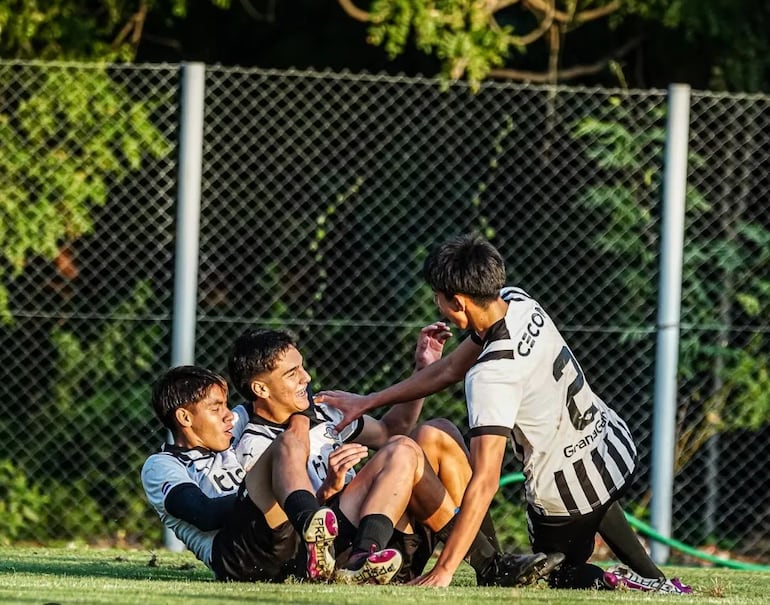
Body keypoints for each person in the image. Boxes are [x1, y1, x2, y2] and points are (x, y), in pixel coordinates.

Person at [316, 233, 692, 594]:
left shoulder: (492, 375)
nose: (438, 307)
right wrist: (368, 401)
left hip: (562, 492)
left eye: (439, 299)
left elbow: (486, 481)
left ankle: (621, 581)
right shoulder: (518, 302)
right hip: (610, 448)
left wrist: (444, 570)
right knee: (437, 433)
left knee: (560, 576)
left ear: (458, 303)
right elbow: (448, 370)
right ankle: (655, 578)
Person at [228, 325, 562, 586]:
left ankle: (492, 562)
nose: (307, 378)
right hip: (337, 549)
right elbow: (283, 532)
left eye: (302, 367)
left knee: (437, 432)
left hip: (387, 527)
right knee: (403, 450)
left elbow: (392, 428)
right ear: (261, 389)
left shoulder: (326, 412)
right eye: (292, 374)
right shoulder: (258, 446)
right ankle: (362, 561)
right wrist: (329, 487)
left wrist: (423, 367)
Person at [141, 365, 338, 583]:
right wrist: (274, 492)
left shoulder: (231, 430)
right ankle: (309, 520)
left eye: (226, 405)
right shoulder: (161, 465)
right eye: (216, 409)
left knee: (380, 464)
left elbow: (282, 394)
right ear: (185, 417)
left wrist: (303, 413)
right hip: (237, 558)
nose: (228, 416)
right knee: (285, 443)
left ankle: (361, 554)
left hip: (282, 538)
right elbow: (205, 514)